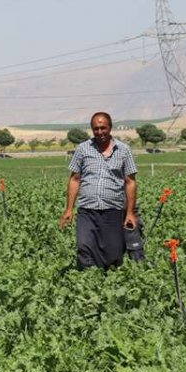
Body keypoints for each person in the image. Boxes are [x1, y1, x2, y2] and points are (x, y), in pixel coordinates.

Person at [60, 111, 139, 270]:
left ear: (110, 128)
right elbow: (75, 179)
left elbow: (130, 182)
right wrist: (69, 209)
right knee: (84, 246)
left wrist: (130, 212)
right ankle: (87, 280)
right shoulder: (83, 149)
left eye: (103, 128)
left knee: (113, 253)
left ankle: (106, 280)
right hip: (87, 210)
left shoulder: (124, 150)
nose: (100, 132)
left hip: (113, 209)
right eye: (96, 128)